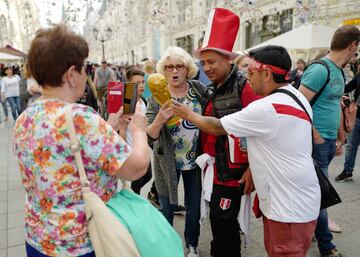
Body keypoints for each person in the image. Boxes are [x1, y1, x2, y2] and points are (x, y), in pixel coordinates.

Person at [172, 45, 321, 257]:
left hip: (288, 208)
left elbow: (216, 126)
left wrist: (188, 113)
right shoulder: (296, 96)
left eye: (251, 72)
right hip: (298, 198)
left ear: (267, 74)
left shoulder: (267, 107)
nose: (247, 78)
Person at [13, 25, 149, 257]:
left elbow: (67, 154)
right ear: (71, 74)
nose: (87, 75)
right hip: (81, 244)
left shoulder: (25, 117)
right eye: (84, 68)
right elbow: (136, 168)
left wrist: (109, 125)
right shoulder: (80, 117)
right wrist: (138, 130)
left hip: (38, 240)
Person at [182, 8, 259, 257]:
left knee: (223, 221)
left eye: (212, 62)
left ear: (228, 59)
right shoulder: (217, 86)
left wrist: (252, 169)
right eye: (204, 62)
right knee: (220, 222)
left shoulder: (243, 88)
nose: (206, 68)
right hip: (216, 169)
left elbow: (258, 131)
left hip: (231, 173)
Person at [299, 25, 360, 257]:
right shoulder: (319, 69)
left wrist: (341, 136)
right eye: (357, 48)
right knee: (320, 196)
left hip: (326, 142)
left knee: (318, 194)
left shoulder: (339, 70)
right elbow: (298, 106)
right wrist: (315, 135)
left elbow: (334, 103)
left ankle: (314, 232)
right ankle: (327, 246)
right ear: (353, 45)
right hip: (314, 142)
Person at [146, 46, 209, 257]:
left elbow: (213, 115)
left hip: (195, 159)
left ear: (187, 69)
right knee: (167, 207)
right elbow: (150, 136)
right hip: (167, 162)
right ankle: (167, 248)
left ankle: (191, 245)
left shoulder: (198, 89)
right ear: (163, 70)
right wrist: (159, 120)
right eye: (169, 66)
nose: (174, 71)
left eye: (179, 66)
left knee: (193, 207)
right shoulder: (156, 96)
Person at [119, 67, 152, 194]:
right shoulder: (127, 104)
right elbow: (122, 128)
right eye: (137, 83)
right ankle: (133, 204)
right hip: (132, 149)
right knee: (137, 182)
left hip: (143, 146)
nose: (142, 85)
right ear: (129, 85)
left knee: (148, 175)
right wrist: (124, 150)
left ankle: (133, 197)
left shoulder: (143, 101)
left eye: (143, 82)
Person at [335, 73, 360, 182]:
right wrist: (336, 90)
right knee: (351, 145)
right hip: (357, 116)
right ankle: (347, 171)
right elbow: (349, 86)